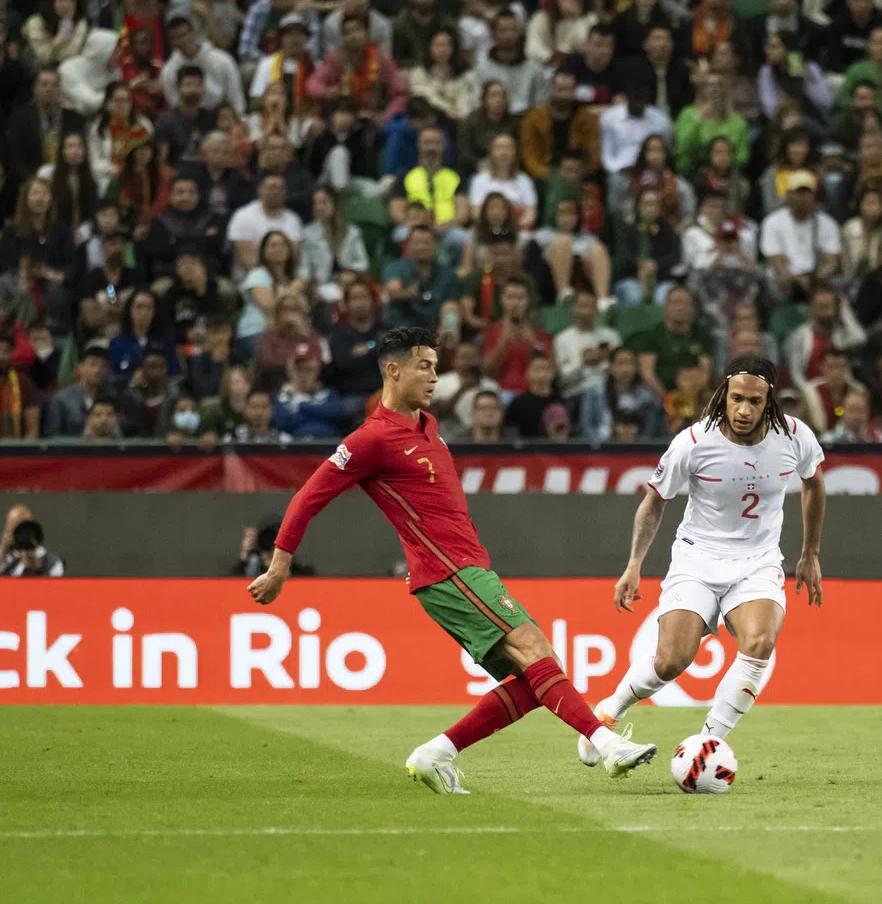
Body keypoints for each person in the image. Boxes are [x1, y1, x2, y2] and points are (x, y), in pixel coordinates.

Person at [249, 325, 658, 791]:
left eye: (435, 368)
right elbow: (308, 496)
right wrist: (280, 564)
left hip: (468, 568)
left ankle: (434, 754)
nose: (434, 377)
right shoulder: (370, 439)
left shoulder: (427, 426)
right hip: (447, 572)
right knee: (536, 649)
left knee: (533, 680)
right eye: (424, 366)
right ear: (392, 370)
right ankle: (606, 745)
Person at [587, 354, 825, 760]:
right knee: (670, 662)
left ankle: (708, 742)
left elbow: (814, 485)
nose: (744, 409)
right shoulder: (694, 442)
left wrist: (810, 553)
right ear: (724, 394)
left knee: (760, 642)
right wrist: (633, 565)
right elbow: (654, 502)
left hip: (758, 561)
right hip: (697, 560)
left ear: (769, 401)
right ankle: (610, 710)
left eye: (754, 401)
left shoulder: (795, 436)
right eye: (736, 398)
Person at [0, 503, 65, 576]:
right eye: (14, 527)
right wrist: (2, 549)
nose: (20, 533)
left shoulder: (50, 561)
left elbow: (52, 592)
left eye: (23, 527)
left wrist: (37, 570)